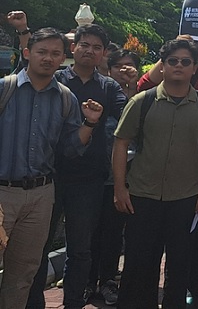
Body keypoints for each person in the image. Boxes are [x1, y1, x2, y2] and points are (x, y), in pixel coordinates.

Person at [113, 38, 198, 309]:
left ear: (195, 67)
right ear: (162, 66)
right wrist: (119, 188)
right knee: (140, 264)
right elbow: (121, 143)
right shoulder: (143, 101)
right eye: (172, 61)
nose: (178, 66)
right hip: (143, 195)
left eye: (185, 62)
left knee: (180, 263)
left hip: (186, 197)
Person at [0, 27, 104, 309]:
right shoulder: (5, 89)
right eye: (42, 52)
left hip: (41, 194)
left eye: (55, 53)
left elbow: (70, 149)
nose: (48, 58)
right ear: (27, 53)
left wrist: (90, 123)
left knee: (23, 274)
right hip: (3, 192)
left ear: (63, 58)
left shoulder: (65, 98)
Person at [89, 47, 142, 304]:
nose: (124, 69)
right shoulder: (99, 94)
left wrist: (132, 88)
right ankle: (87, 282)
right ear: (108, 70)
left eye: (129, 65)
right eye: (118, 65)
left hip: (122, 181)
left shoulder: (143, 99)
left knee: (113, 234)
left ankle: (108, 280)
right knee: (89, 234)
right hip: (91, 178)